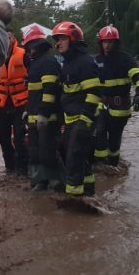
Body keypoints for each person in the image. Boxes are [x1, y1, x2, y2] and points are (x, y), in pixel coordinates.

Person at [52, 21, 101, 197]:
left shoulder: (85, 63)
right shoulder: (69, 63)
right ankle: (88, 191)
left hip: (82, 121)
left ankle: (73, 199)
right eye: (57, 39)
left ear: (73, 39)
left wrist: (84, 121)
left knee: (73, 160)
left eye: (62, 38)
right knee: (79, 159)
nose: (58, 43)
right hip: (72, 121)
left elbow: (95, 93)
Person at [93, 25, 139, 166]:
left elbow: (138, 77)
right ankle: (100, 164)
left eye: (110, 42)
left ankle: (113, 163)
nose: (107, 45)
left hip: (120, 106)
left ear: (116, 43)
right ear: (100, 43)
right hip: (101, 104)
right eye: (104, 42)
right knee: (99, 132)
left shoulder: (126, 60)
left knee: (115, 139)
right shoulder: (96, 60)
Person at [20, 23, 63, 191]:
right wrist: (26, 110)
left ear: (36, 45)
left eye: (29, 47)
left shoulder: (48, 62)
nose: (28, 51)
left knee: (48, 152)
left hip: (47, 118)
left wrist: (44, 114)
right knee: (35, 152)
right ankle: (41, 181)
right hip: (34, 115)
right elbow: (33, 93)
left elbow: (50, 90)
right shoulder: (35, 63)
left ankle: (58, 181)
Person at [0, 27, 28, 175]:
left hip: (20, 104)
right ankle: (9, 168)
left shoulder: (24, 54)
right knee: (3, 138)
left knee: (19, 138)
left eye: (8, 37)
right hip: (1, 105)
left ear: (13, 38)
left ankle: (22, 169)